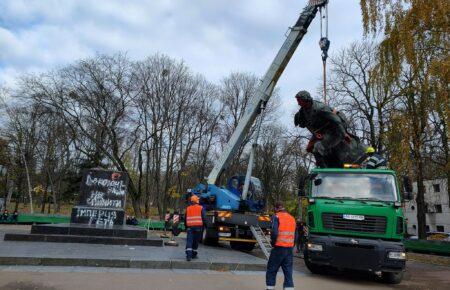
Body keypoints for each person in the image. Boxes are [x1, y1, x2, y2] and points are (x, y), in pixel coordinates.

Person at [266, 201, 296, 290]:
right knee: (288, 271)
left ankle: (270, 288)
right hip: (289, 249)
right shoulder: (292, 218)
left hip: (279, 248)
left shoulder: (276, 216)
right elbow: (296, 235)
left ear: (276, 208)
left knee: (272, 269)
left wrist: (273, 243)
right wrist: (292, 245)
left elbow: (274, 232)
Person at [185, 195, 206, 261]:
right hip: (198, 227)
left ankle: (188, 256)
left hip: (190, 227)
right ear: (197, 201)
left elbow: (185, 219)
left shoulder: (188, 208)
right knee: (196, 241)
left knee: (189, 241)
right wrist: (205, 226)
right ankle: (194, 254)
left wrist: (186, 227)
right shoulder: (201, 208)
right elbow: (204, 218)